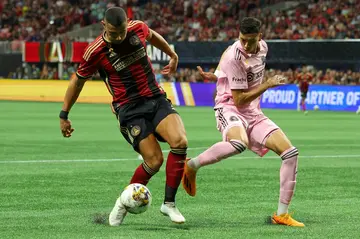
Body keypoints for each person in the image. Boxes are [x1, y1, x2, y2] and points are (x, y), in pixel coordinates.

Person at [59, 7, 188, 226]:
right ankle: (122, 204)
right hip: (129, 109)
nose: (118, 37)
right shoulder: (95, 51)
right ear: (104, 26)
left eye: (121, 32)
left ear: (127, 23)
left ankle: (169, 203)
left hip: (155, 98)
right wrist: (64, 114)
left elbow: (152, 35)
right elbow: (77, 82)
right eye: (113, 33)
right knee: (154, 160)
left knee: (180, 142)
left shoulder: (137, 28)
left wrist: (172, 55)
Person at [182, 17, 304, 227]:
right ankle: (191, 165)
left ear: (260, 37)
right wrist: (266, 84)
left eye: (250, 40)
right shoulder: (234, 57)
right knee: (239, 143)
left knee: (290, 154)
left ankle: (281, 215)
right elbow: (238, 100)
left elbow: (227, 56)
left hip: (253, 112)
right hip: (229, 106)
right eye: (242, 40)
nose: (246, 45)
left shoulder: (263, 48)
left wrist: (219, 74)